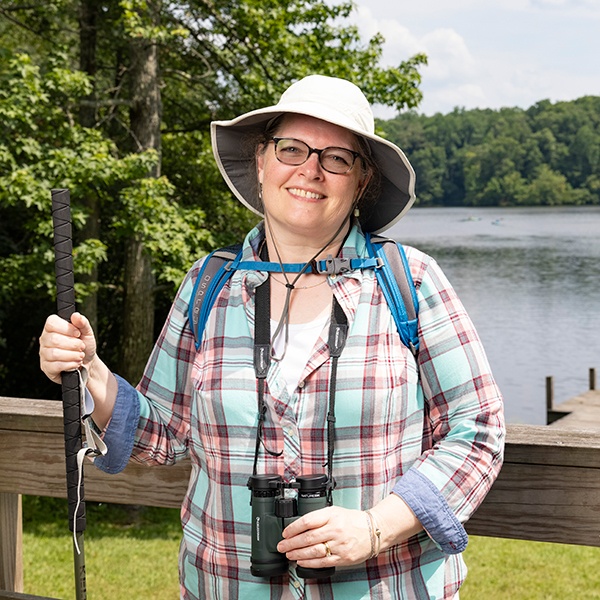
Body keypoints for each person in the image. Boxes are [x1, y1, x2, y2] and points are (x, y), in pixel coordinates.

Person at [40, 75, 505, 599]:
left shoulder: (410, 281)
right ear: (261, 162)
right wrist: (91, 369)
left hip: (384, 587)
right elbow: (165, 433)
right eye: (291, 149)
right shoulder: (209, 284)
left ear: (361, 182)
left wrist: (375, 528)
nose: (310, 170)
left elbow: (478, 429)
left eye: (337, 158)